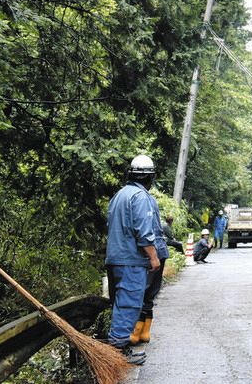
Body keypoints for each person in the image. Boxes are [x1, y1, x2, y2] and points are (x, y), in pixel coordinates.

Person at [104, 154, 160, 365]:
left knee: (119, 303)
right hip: (131, 260)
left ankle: (118, 347)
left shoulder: (119, 195)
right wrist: (153, 257)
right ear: (150, 177)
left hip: (115, 259)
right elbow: (143, 232)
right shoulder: (140, 197)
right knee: (129, 304)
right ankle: (117, 352)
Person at [133, 201, 174, 346]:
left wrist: (152, 256)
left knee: (142, 292)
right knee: (150, 293)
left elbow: (144, 232)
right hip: (160, 249)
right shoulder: (150, 201)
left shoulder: (141, 201)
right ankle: (144, 333)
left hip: (152, 251)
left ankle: (136, 333)